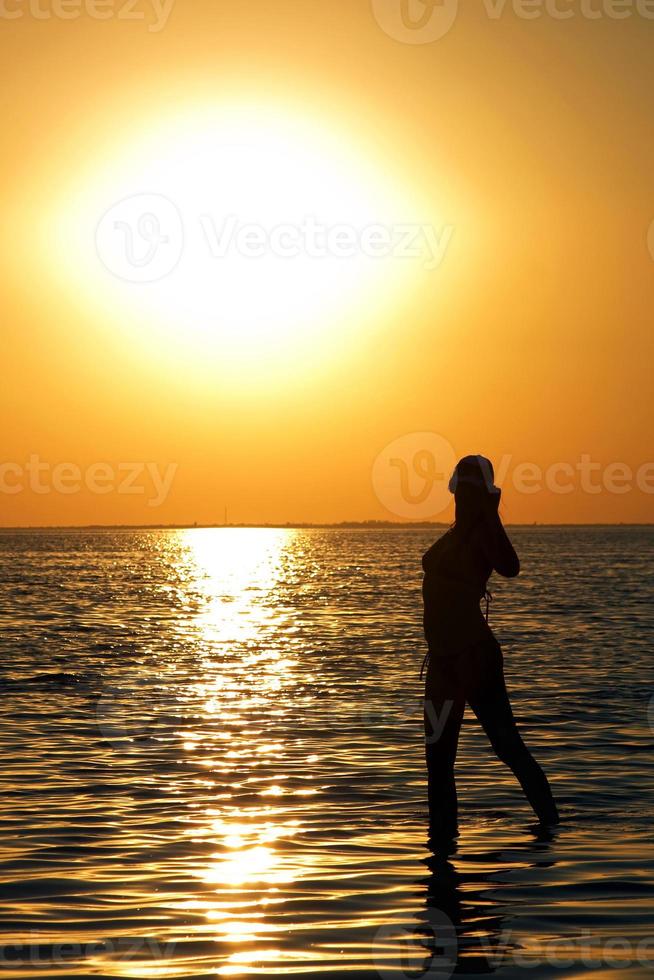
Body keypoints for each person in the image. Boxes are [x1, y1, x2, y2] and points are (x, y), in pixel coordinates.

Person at [422, 454, 559, 841]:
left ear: (480, 493)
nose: (461, 496)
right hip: (442, 663)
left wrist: (491, 512)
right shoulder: (454, 533)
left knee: (507, 746)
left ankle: (551, 828)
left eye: (469, 489)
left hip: (474, 657)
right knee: (438, 760)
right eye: (459, 488)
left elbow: (511, 567)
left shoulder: (484, 530)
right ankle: (442, 843)